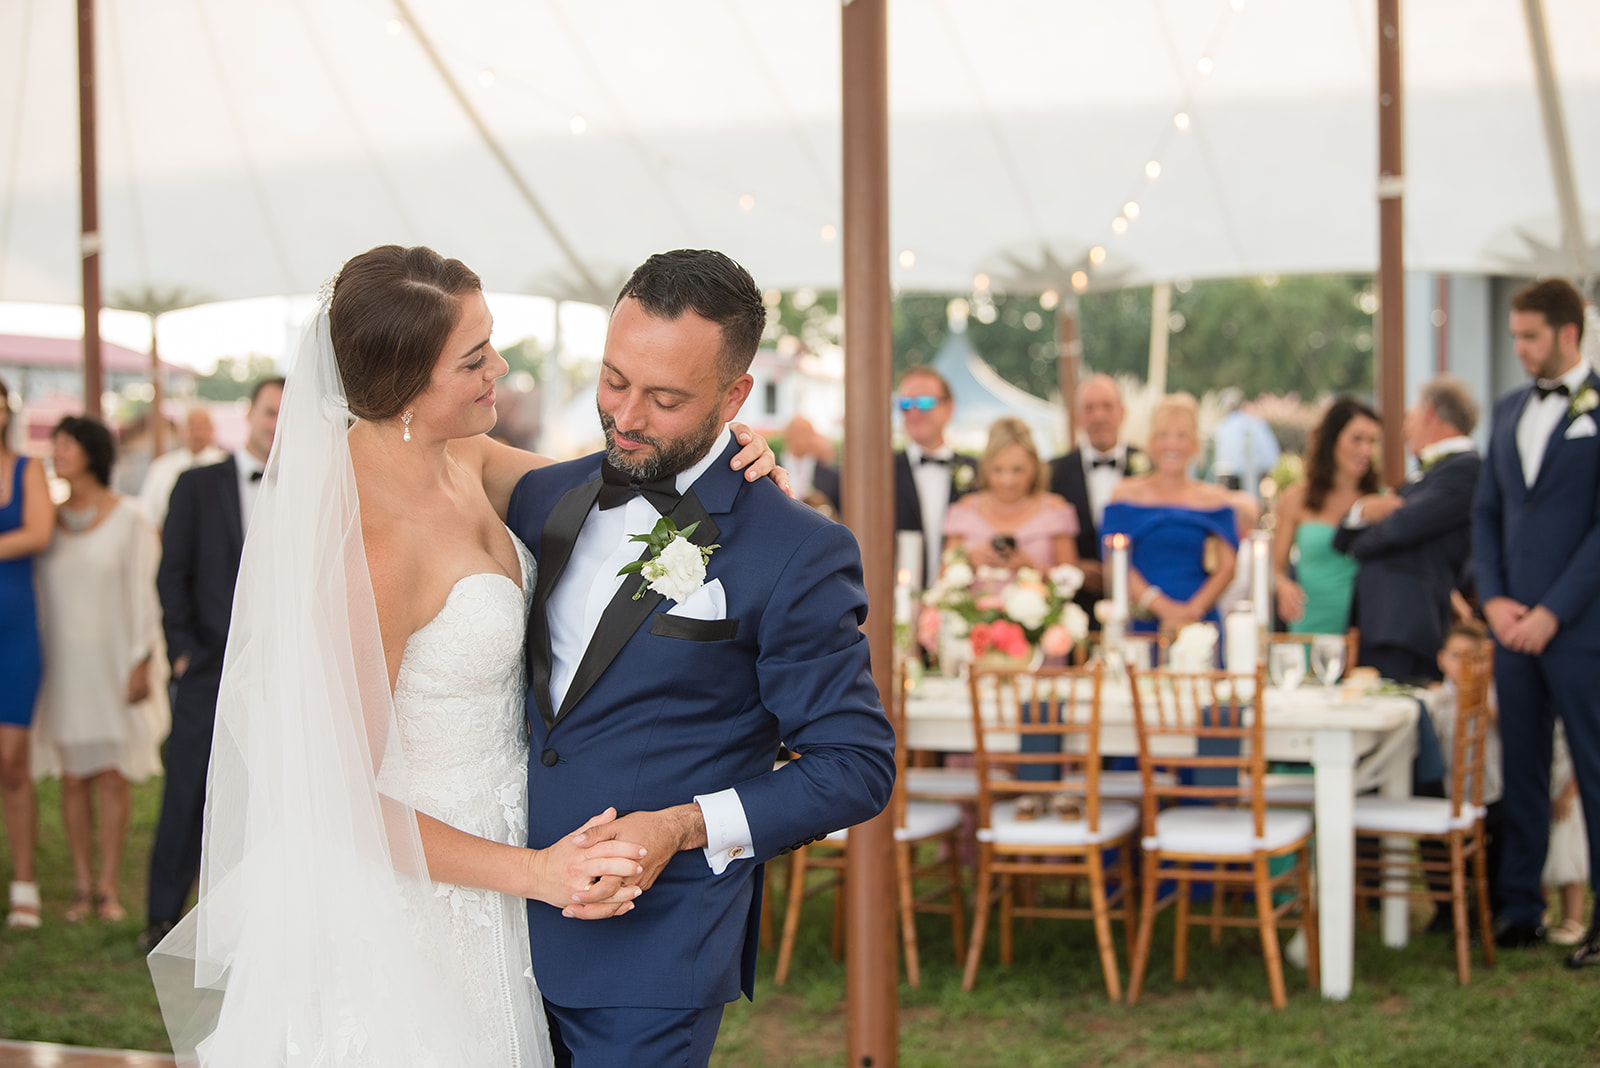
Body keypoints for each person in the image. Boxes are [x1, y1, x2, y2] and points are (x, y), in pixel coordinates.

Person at [147, 245, 785, 1066]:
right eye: (475, 358)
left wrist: (729, 453)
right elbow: (338, 801)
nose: (501, 366)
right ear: (405, 384)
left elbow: (626, 494)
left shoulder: (466, 461)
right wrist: (537, 875)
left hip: (510, 862)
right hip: (419, 894)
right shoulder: (370, 548)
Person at [508, 249, 896, 1067]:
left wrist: (684, 825)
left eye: (667, 398)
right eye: (615, 380)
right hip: (495, 928)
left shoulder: (797, 548)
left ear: (734, 397)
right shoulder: (542, 498)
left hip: (653, 954)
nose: (628, 415)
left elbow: (857, 765)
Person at [1472, 277, 1600, 963]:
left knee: (1594, 767)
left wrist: (1552, 612)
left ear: (1568, 334)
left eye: (1529, 336)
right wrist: (1494, 601)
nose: (1518, 347)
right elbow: (1488, 512)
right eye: (1515, 335)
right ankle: (1520, 907)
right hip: (1510, 626)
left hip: (1580, 629)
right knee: (1519, 765)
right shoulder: (1507, 408)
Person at [138, 379, 282, 951]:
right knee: (186, 792)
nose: (277, 424)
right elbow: (171, 573)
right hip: (207, 667)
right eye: (270, 412)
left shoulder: (317, 491)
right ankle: (161, 916)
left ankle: (245, 920)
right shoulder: (196, 484)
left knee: (265, 795)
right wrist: (181, 652)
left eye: (287, 414)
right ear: (248, 414)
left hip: (279, 676)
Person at [33, 416, 166, 925]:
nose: (57, 451)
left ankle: (109, 887)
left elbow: (145, 593)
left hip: (114, 660)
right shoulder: (47, 521)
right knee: (72, 777)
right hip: (63, 665)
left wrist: (142, 658)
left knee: (111, 776)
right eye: (55, 444)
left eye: (66, 442)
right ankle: (82, 886)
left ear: (92, 451)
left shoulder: (130, 518)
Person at [1334, 376, 1480, 686]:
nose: (1404, 430)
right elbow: (1344, 539)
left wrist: (1364, 538)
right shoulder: (1427, 476)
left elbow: (1398, 528)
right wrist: (1361, 511)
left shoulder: (1465, 469)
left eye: (1409, 418)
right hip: (1385, 624)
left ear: (1429, 413)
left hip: (1405, 625)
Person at [1102, 393, 1240, 634]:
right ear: (1151, 442)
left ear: (1195, 443)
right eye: (1163, 435)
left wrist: (1190, 613)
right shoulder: (1124, 495)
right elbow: (1115, 561)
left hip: (1199, 621)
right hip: (1142, 622)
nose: (1171, 444)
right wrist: (1162, 607)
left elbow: (1228, 567)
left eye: (1181, 435)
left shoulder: (1215, 499)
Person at [0, 378, 54, 929]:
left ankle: (24, 883)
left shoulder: (26, 469)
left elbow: (38, 532)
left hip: (13, 631)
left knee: (11, 762)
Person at [1274, 397, 1381, 634]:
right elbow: (1275, 568)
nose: (1366, 450)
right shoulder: (1295, 499)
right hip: (1308, 624)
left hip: (1364, 630)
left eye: (1372, 441)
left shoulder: (1380, 502)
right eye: (1357, 439)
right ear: (1332, 440)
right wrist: (1283, 587)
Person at [1426, 619, 1504, 933]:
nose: (1464, 665)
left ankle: (1486, 906)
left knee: (1497, 838)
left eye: (1474, 657)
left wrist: (1480, 699)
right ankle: (1445, 908)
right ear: (1442, 659)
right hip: (1444, 793)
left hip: (1490, 791)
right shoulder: (1435, 698)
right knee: (1433, 842)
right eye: (1456, 657)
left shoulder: (1494, 696)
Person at [1048, 374, 1147, 619]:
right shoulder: (1052, 472)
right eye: (1089, 408)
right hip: (1074, 609)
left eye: (1106, 406)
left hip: (1139, 605)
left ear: (1122, 412)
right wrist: (1074, 566)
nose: (1098, 416)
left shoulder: (1149, 467)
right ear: (1077, 417)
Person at [944, 415, 1079, 574]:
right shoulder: (965, 508)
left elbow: (1071, 578)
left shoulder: (1055, 509)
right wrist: (967, 560)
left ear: (1034, 467)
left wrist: (1033, 568)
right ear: (986, 467)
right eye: (998, 470)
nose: (1007, 481)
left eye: (1017, 470)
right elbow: (942, 578)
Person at [894, 365, 977, 587]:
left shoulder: (978, 473)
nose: (914, 413)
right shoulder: (884, 471)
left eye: (924, 403)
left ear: (949, 408)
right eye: (905, 404)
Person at [136, 407, 225, 531]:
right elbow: (147, 515)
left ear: (212, 430)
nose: (197, 433)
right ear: (180, 431)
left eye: (202, 426)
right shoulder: (161, 467)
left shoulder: (225, 466)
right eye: (191, 427)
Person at [1210, 386, 1280, 499]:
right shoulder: (1256, 423)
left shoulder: (1221, 427)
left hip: (1230, 478)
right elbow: (1271, 456)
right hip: (1250, 477)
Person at [779, 414, 840, 516]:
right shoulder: (770, 472)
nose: (807, 438)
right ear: (788, 435)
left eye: (810, 432)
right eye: (801, 432)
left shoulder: (831, 476)